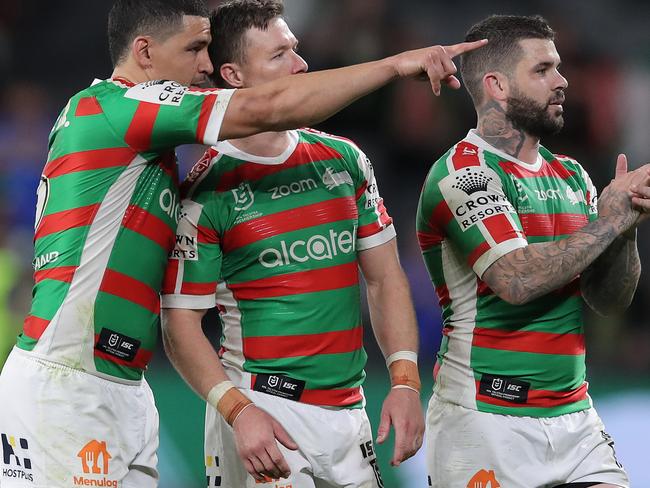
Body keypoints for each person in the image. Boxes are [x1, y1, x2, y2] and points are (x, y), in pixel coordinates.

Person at [0, 0, 486, 486]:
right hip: (67, 381)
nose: (205, 65)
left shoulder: (151, 145)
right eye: (194, 48)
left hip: (123, 385)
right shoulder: (118, 109)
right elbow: (264, 107)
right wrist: (395, 65)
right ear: (144, 53)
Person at [161, 1, 423, 486]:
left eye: (296, 50)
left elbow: (386, 279)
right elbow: (179, 323)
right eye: (279, 55)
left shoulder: (343, 158)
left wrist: (405, 380)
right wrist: (238, 412)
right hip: (264, 410)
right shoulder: (208, 188)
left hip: (350, 413)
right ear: (234, 75)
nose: (301, 66)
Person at [416, 14, 649, 488]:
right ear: (497, 85)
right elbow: (516, 281)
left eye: (558, 68)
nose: (562, 82)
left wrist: (624, 229)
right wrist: (607, 221)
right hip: (485, 420)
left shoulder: (571, 175)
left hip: (575, 416)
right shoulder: (463, 174)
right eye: (542, 70)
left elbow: (608, 301)